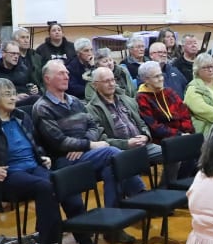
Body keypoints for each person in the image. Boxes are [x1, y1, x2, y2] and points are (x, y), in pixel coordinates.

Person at [0, 78, 104, 244]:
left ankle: (85, 243)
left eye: (13, 92)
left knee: (66, 182)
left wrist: (42, 156)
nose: (12, 97)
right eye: (6, 94)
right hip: (6, 177)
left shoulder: (20, 117)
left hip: (33, 168)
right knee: (45, 187)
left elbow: (33, 145)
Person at [33, 60, 143, 211]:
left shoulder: (76, 101)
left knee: (111, 169)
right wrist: (90, 145)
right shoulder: (42, 107)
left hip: (84, 153)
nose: (67, 76)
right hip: (64, 159)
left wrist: (84, 144)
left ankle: (114, 221)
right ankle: (140, 193)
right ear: (47, 79)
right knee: (112, 152)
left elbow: (93, 126)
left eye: (67, 73)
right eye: (61, 73)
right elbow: (59, 142)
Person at [85, 67, 159, 161]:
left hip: (142, 145)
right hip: (120, 151)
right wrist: (126, 144)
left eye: (113, 80)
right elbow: (100, 139)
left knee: (171, 153)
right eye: (106, 81)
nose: (111, 84)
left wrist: (146, 136)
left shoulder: (127, 100)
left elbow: (142, 123)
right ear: (95, 85)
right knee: (125, 167)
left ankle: (168, 176)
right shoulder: (91, 109)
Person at [0, 40, 40, 107]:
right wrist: (15, 97)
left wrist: (34, 90)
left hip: (26, 101)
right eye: (13, 53)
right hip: (7, 105)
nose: (16, 56)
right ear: (3, 54)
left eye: (18, 54)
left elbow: (33, 86)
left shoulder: (24, 70)